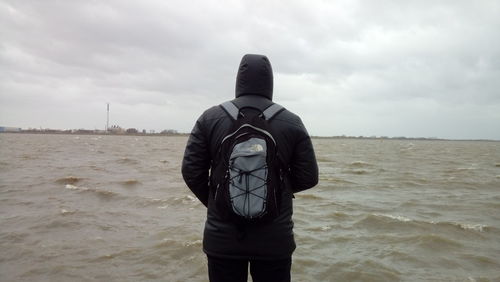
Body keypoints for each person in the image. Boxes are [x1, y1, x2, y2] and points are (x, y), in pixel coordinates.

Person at [181, 54, 318, 282]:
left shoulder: (210, 118)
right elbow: (309, 177)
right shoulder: (292, 121)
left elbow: (191, 171)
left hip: (222, 239)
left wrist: (218, 200)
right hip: (274, 240)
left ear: (239, 80)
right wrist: (277, 190)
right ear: (270, 82)